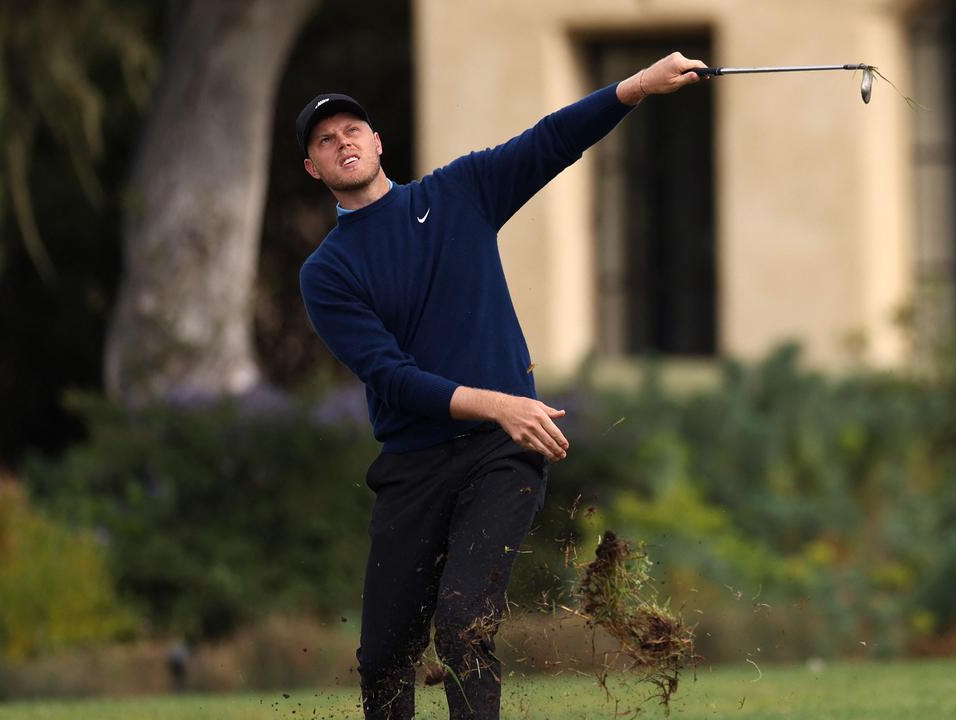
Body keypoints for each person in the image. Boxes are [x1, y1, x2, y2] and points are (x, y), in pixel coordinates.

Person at [296, 51, 707, 720]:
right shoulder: (328, 272)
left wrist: (636, 86)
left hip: (500, 454)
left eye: (352, 130)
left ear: (377, 142)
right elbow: (391, 378)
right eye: (325, 139)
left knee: (463, 626)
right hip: (414, 467)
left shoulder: (458, 192)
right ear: (314, 167)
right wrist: (501, 403)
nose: (343, 142)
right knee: (382, 661)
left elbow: (549, 141)